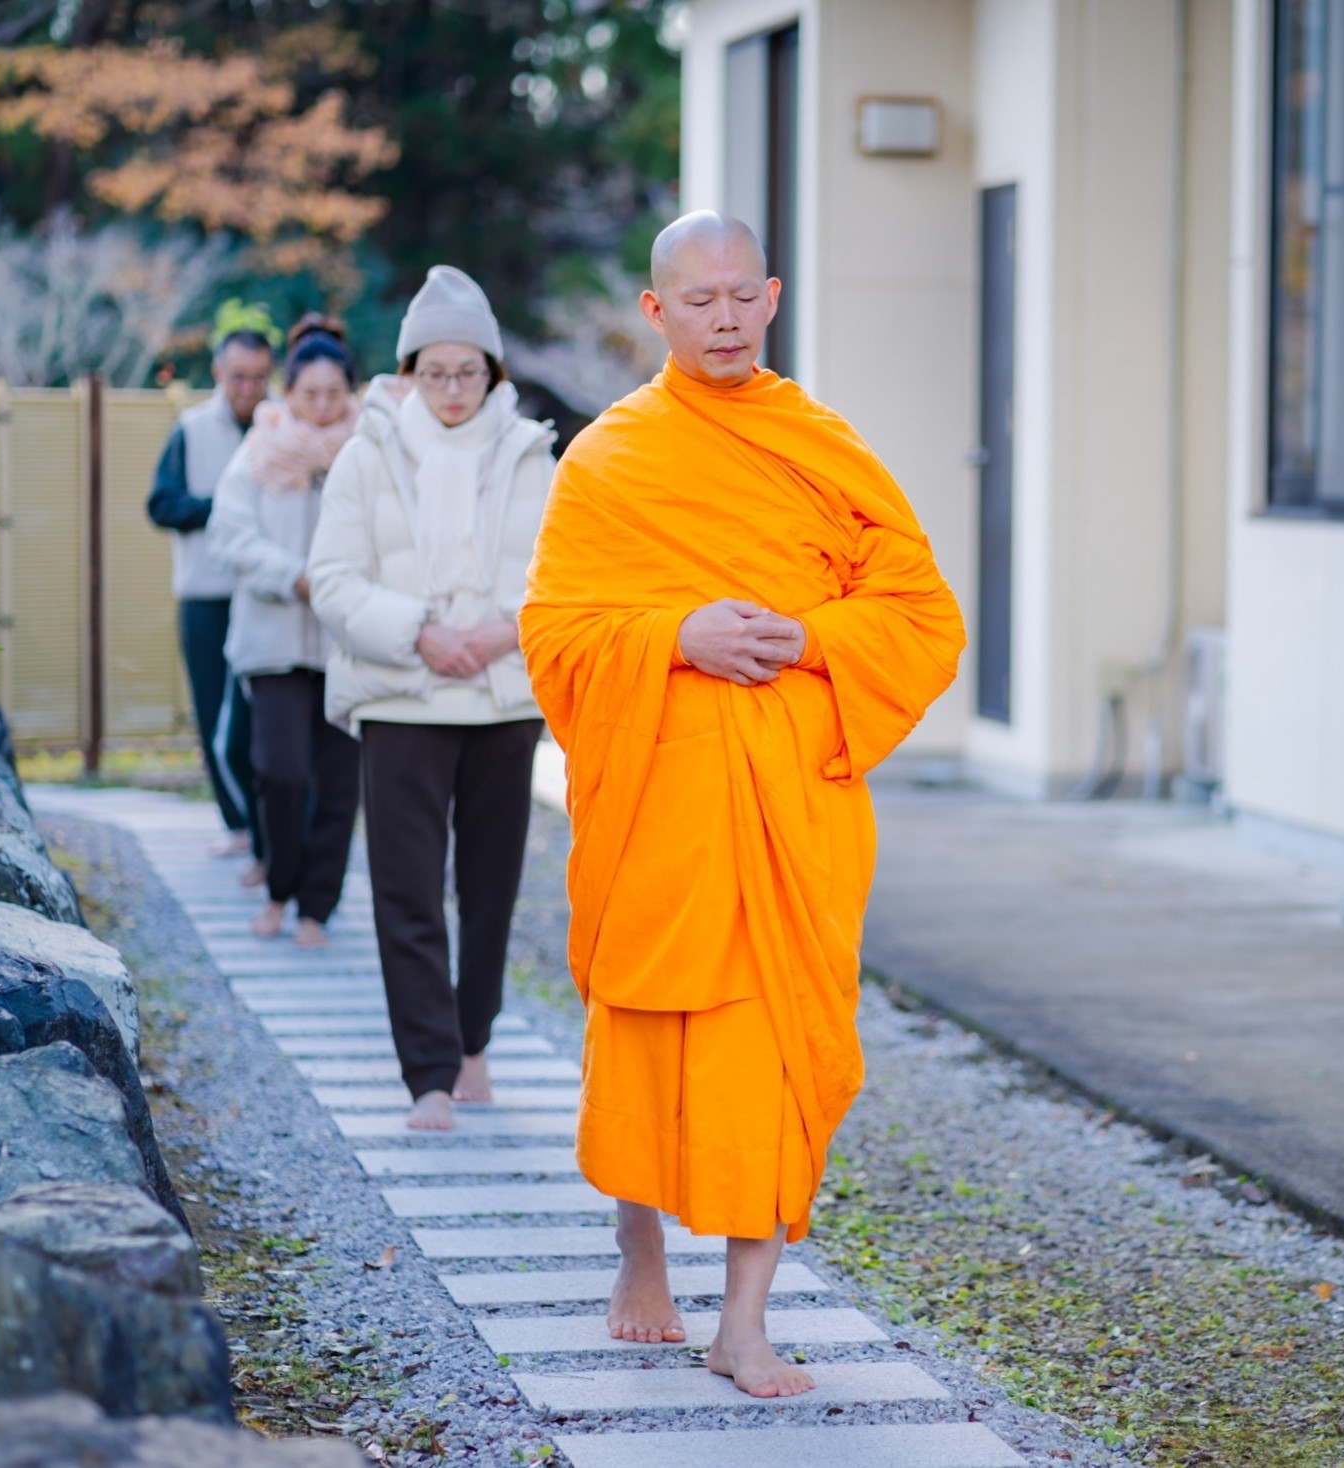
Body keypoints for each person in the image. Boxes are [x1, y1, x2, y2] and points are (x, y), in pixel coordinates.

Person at [517, 212, 965, 1398]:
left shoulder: (822, 447)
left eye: (739, 296)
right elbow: (555, 633)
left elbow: (922, 615)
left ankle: (745, 1321)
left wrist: (814, 634)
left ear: (770, 298)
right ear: (656, 315)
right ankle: (640, 1252)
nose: (722, 318)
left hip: (791, 806)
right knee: (653, 1036)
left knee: (772, 1054)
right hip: (662, 801)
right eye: (695, 300)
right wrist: (676, 631)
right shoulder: (611, 460)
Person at [308, 267, 557, 1130]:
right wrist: (420, 630)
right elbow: (333, 580)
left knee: (490, 886)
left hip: (501, 699)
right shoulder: (367, 453)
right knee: (405, 889)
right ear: (407, 371)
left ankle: (474, 1040)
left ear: (493, 372)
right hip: (400, 697)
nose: (452, 389)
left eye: (469, 372)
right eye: (435, 371)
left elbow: (565, 576)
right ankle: (429, 1075)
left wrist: (499, 631)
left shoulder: (534, 455)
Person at [209, 316, 363, 948]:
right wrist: (295, 576)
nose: (323, 406)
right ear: (288, 391)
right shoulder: (258, 450)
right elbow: (231, 536)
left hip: (346, 643)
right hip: (272, 640)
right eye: (310, 393)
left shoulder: (370, 450)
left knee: (338, 783)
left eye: (334, 394)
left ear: (349, 392)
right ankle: (279, 887)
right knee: (280, 771)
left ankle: (314, 909)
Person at [148, 328, 273, 879]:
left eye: (260, 377)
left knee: (262, 720)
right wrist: (225, 509)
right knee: (212, 712)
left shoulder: (284, 426)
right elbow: (162, 503)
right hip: (206, 595)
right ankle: (237, 827)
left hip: (267, 595)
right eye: (239, 376)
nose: (249, 388)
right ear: (220, 373)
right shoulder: (191, 429)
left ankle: (268, 831)